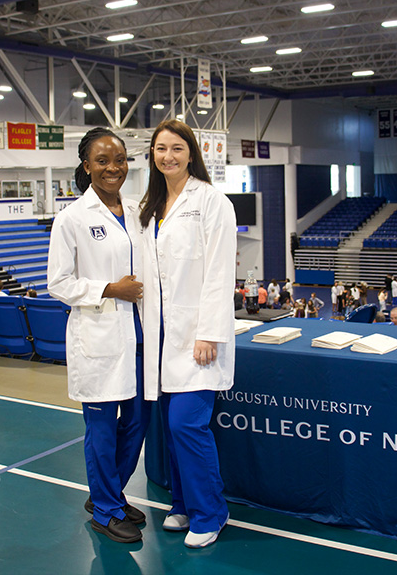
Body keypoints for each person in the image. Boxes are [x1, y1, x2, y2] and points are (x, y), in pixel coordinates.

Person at [47, 127, 150, 544]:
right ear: (86, 166)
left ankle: (108, 492)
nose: (113, 168)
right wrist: (109, 288)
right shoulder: (72, 218)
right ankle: (105, 509)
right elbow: (58, 283)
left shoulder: (139, 212)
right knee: (103, 429)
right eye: (103, 161)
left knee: (140, 421)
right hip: (99, 335)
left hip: (140, 334)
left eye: (120, 160)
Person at [139, 119, 236, 549]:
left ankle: (210, 513)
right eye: (161, 149)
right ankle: (181, 503)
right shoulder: (150, 205)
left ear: (191, 152)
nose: (168, 157)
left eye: (177, 148)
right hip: (159, 333)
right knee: (169, 424)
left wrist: (209, 332)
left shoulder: (212, 201)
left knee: (186, 424)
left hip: (198, 335)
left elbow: (218, 272)